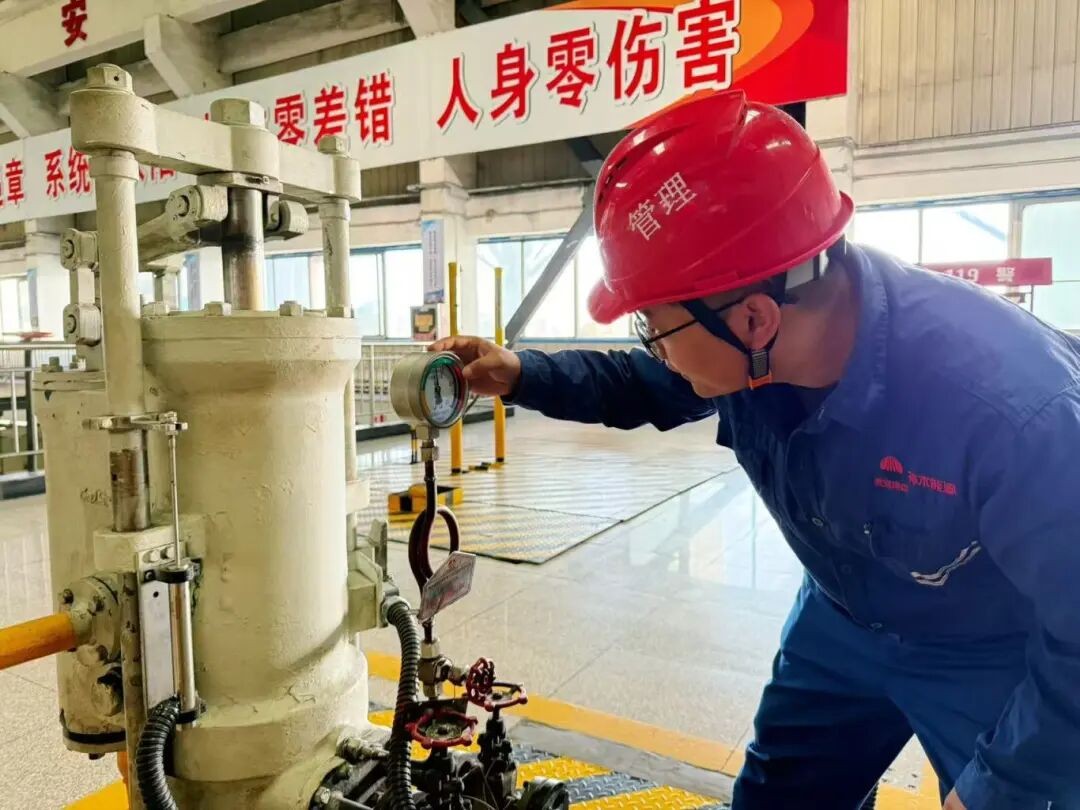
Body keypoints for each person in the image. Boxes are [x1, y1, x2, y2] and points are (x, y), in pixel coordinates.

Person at [429, 90, 1080, 810]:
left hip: (987, 645)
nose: (653, 348)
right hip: (840, 620)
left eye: (653, 327)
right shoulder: (752, 350)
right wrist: (519, 374)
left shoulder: (1015, 410)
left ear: (754, 320)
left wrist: (1002, 789)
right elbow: (644, 383)